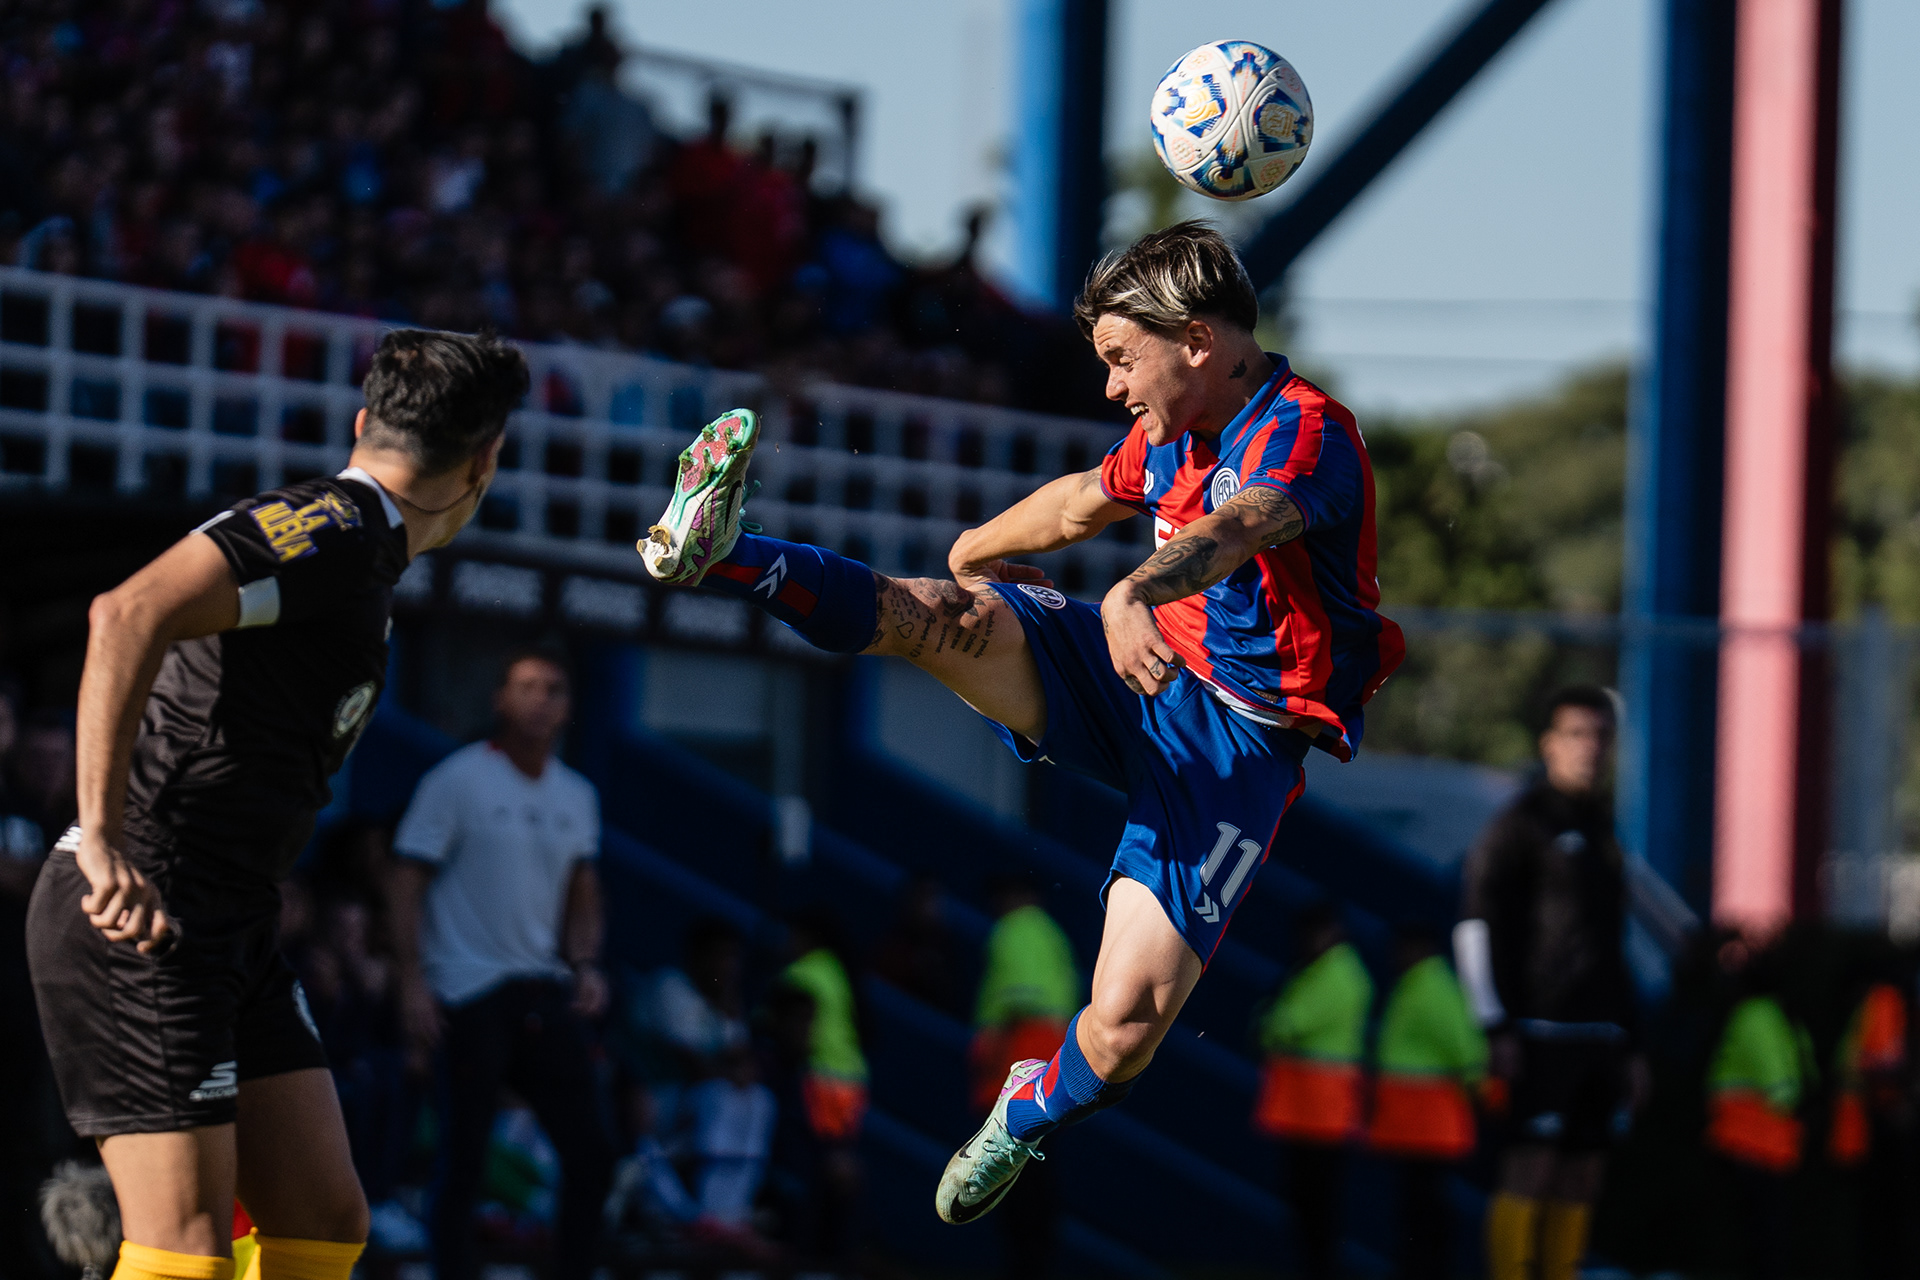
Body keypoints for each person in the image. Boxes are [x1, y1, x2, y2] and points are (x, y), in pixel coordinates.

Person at [632, 219, 1404, 1224]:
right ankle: (726, 551)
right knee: (940, 617)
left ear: (1197, 341)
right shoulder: (1170, 431)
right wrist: (971, 549)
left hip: (1236, 742)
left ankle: (1030, 1106)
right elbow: (1083, 500)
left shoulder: (1306, 430)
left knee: (1124, 1029)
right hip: (1125, 670)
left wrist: (1133, 590)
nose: (1112, 387)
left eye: (1122, 359)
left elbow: (1238, 526)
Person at [23, 328, 526, 1280]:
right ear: (485, 463)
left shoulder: (360, 545)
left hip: (230, 916)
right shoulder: (334, 526)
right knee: (187, 1247)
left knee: (323, 1221)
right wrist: (103, 837)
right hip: (143, 906)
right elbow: (125, 612)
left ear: (363, 422)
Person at [388, 648, 618, 1280]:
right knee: (464, 1156)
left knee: (592, 1153)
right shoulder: (457, 780)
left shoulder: (577, 795)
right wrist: (413, 981)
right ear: (500, 699)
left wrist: (586, 963)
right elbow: (406, 879)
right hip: (468, 989)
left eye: (553, 689)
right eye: (527, 687)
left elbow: (584, 891)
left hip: (541, 987)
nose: (540, 700)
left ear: (569, 708)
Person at [1455, 685, 1645, 1280]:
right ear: (1549, 744)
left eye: (1602, 736)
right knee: (1529, 1170)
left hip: (1599, 1034)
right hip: (1538, 1031)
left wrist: (1631, 1041)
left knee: (1583, 1174)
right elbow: (1475, 927)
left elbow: (1611, 942)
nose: (1591, 748)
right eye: (1577, 734)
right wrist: (1495, 1025)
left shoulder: (1604, 829)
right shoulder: (1520, 824)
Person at [1252, 902, 1371, 1280]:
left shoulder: (1337, 973)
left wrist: (1267, 1024)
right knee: (1310, 1205)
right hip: (1311, 1110)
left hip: (1322, 1112)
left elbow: (1287, 1024)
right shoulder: (1327, 969)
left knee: (1317, 1207)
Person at [970, 873, 1080, 1280]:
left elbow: (1017, 1002)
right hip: (1054, 1064)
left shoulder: (1013, 929)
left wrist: (990, 1061)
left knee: (1015, 1177)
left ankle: (1025, 1267)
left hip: (1018, 1059)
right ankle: (1036, 1264)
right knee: (1038, 1170)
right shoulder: (1053, 934)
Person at [1368, 926, 1488, 1280]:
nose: (1395, 956)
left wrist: (1478, 1092)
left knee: (1425, 1211)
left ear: (1419, 948)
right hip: (1418, 1126)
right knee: (1418, 1209)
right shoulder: (1420, 984)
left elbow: (1467, 1051)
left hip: (1429, 1126)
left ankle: (1426, 1272)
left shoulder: (1433, 988)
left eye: (1402, 948)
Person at [1704, 935, 1812, 1280]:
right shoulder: (1779, 1016)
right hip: (1767, 1144)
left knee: (1757, 1234)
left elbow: (1780, 1084)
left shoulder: (1755, 1015)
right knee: (1767, 1232)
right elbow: (1798, 1074)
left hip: (1753, 1142)